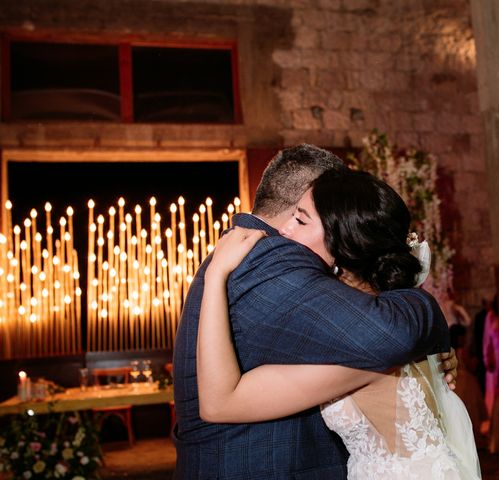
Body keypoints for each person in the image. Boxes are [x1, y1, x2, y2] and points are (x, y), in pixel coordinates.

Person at [172, 144, 457, 479]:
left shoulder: (249, 253)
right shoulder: (272, 257)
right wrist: (428, 316)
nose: (290, 230)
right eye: (297, 215)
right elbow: (389, 334)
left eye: (303, 220)